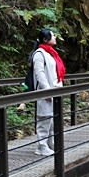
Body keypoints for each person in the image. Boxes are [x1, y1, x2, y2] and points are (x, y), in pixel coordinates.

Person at [31, 28, 65, 156]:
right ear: (45, 39)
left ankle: (51, 143)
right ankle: (41, 146)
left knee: (52, 119)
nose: (55, 38)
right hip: (46, 91)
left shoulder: (51, 53)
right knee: (44, 118)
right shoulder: (39, 53)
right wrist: (46, 91)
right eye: (52, 36)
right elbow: (39, 73)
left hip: (54, 89)